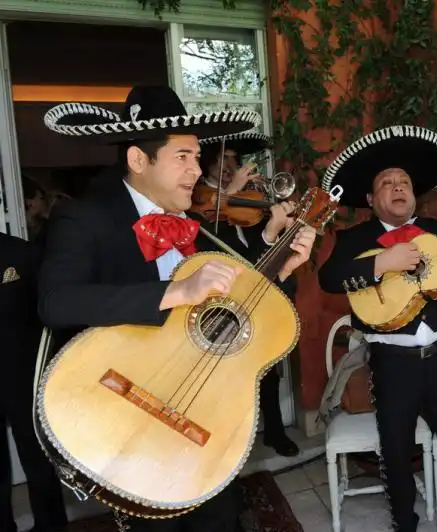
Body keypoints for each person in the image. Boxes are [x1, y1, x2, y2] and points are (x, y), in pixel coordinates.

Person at [37, 85, 316, 532]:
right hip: (128, 412)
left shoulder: (195, 228)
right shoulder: (85, 218)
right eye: (183, 157)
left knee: (223, 519)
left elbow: (233, 304)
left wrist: (278, 260)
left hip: (200, 415)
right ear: (138, 160)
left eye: (198, 156)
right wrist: (176, 292)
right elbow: (56, 303)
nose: (197, 169)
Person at [318, 125, 437, 532]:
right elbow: (329, 278)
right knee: (394, 449)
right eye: (387, 183)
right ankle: (404, 524)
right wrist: (382, 263)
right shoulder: (354, 238)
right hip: (392, 361)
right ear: (370, 198)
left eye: (404, 182)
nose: (398, 187)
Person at [196, 130, 299, 456]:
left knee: (268, 365)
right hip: (221, 300)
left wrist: (280, 215)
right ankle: (228, 443)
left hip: (258, 291)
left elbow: (259, 249)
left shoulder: (249, 202)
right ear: (208, 163)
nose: (230, 164)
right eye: (223, 159)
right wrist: (229, 193)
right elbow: (205, 240)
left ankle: (275, 430)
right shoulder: (199, 199)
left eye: (233, 160)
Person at [0, 232, 67, 532]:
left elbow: (49, 311)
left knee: (38, 459)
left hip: (23, 374)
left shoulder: (23, 252)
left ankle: (50, 526)